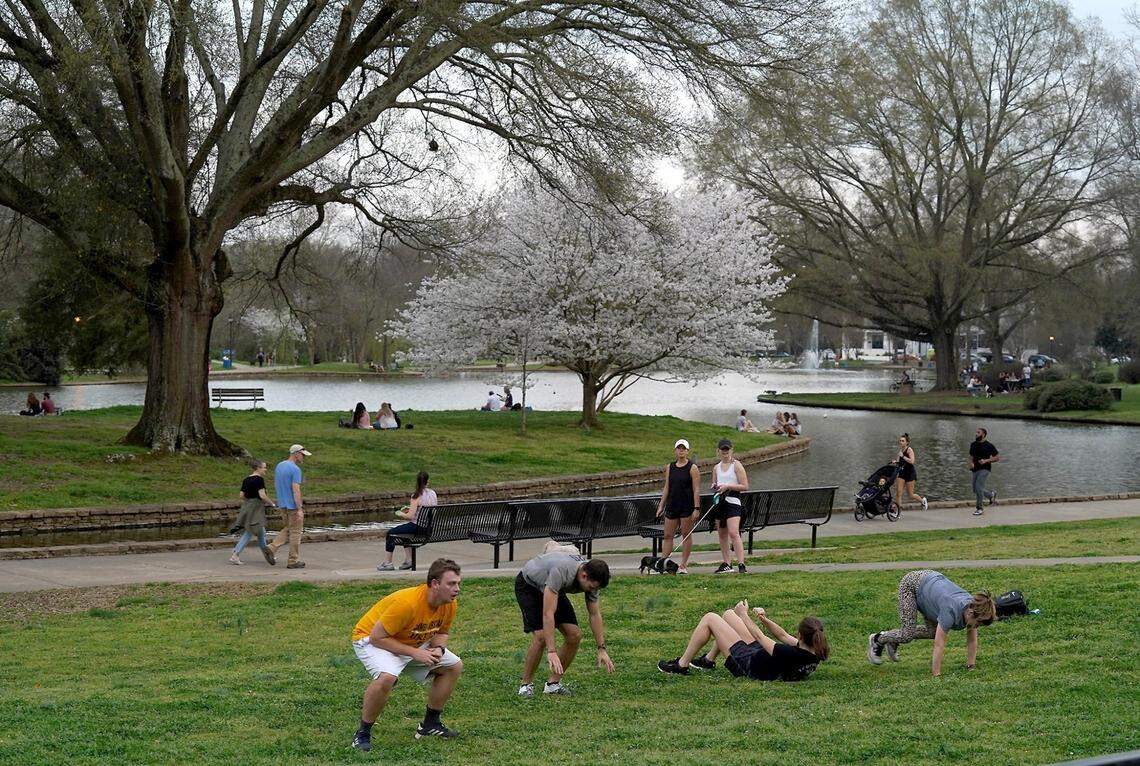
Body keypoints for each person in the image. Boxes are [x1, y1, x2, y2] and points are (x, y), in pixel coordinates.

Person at [350, 558, 464, 751]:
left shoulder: (449, 603)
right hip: (371, 640)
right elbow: (377, 637)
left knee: (453, 666)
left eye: (458, 583)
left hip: (409, 641)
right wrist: (415, 654)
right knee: (387, 677)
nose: (457, 589)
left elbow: (442, 632)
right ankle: (362, 734)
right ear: (435, 584)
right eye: (451, 583)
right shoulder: (407, 603)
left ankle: (430, 725)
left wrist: (439, 649)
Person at [514, 550, 613, 697]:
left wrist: (601, 648)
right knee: (541, 637)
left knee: (574, 635)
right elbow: (548, 614)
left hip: (554, 589)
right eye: (592, 588)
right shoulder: (561, 571)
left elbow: (594, 614)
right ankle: (526, 685)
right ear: (583, 575)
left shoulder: (591, 578)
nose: (593, 591)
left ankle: (553, 685)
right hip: (529, 586)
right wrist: (552, 651)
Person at [867, 569, 997, 677]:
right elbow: (939, 644)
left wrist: (971, 666)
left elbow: (972, 641)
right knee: (907, 634)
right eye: (977, 624)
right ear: (970, 613)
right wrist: (936, 675)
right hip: (912, 585)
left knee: (932, 632)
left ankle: (893, 639)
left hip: (930, 588)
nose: (976, 627)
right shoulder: (951, 610)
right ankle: (878, 639)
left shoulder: (974, 608)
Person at [658, 600, 827, 681]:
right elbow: (782, 635)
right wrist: (763, 619)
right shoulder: (815, 651)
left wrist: (744, 614)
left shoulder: (788, 653)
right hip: (761, 657)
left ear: (800, 635)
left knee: (711, 618)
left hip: (747, 664)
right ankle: (708, 660)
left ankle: (681, 665)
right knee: (727, 615)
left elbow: (760, 638)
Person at [654, 439, 701, 574]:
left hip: (686, 506)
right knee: (668, 535)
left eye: (683, 448)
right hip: (672, 505)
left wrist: (696, 508)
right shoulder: (670, 467)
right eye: (679, 448)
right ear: (675, 450)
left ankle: (683, 565)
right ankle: (663, 564)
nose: (681, 451)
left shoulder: (692, 468)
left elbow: (696, 489)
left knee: (686, 535)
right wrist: (661, 505)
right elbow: (667, 487)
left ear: (687, 451)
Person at [378, 471, 437, 571]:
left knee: (390, 533)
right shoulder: (433, 493)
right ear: (428, 481)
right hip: (428, 528)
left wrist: (401, 513)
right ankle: (409, 560)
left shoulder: (416, 496)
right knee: (404, 533)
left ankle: (388, 563)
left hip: (417, 527)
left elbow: (410, 516)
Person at [267, 444, 310, 569]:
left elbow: (276, 484)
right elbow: (296, 490)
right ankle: (292, 560)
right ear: (296, 453)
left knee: (289, 528)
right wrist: (300, 509)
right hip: (292, 505)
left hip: (282, 504)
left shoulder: (280, 466)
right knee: (296, 532)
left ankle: (271, 547)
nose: (303, 457)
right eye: (302, 455)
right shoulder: (295, 469)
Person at [711, 438, 749, 574]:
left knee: (733, 532)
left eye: (727, 450)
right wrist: (716, 487)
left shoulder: (736, 465)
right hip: (720, 503)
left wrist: (728, 486)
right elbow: (714, 485)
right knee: (722, 534)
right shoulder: (716, 468)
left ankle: (741, 563)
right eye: (723, 450)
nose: (725, 452)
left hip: (733, 501)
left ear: (731, 450)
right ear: (718, 451)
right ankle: (727, 563)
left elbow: (744, 486)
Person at [229, 460, 276, 566]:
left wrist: (250, 500)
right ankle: (235, 554)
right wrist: (272, 503)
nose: (265, 469)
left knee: (260, 532)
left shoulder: (246, 479)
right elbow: (262, 495)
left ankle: (268, 553)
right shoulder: (259, 479)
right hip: (256, 507)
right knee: (250, 531)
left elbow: (241, 495)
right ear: (258, 468)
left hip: (247, 506)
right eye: (264, 467)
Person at [969, 427, 999, 516]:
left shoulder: (989, 445)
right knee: (975, 489)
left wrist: (986, 460)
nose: (976, 434)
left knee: (978, 487)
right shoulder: (973, 444)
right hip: (975, 469)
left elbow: (997, 457)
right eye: (976, 432)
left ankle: (979, 508)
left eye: (978, 433)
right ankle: (991, 495)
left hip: (985, 469)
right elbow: (971, 457)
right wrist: (971, 463)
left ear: (983, 435)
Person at [893, 433, 928, 510]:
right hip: (902, 473)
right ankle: (897, 510)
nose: (900, 442)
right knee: (899, 493)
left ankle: (923, 501)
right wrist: (895, 462)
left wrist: (903, 456)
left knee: (911, 495)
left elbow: (912, 461)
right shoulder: (900, 451)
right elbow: (898, 463)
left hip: (910, 473)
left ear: (907, 442)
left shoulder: (909, 450)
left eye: (902, 441)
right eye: (900, 441)